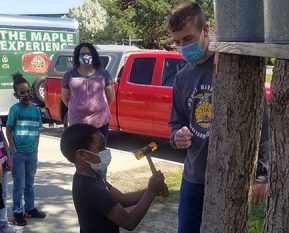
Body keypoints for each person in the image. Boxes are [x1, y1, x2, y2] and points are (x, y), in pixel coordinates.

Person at [167, 2, 269, 233]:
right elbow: (176, 123)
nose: (182, 47)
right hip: (193, 177)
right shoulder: (182, 77)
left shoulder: (233, 67)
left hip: (231, 177)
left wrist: (263, 175)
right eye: (177, 42)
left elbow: (263, 123)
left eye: (188, 38)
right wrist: (177, 136)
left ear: (206, 30)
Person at [60, 123, 169, 233]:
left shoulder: (94, 175)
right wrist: (150, 192)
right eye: (100, 148)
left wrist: (153, 190)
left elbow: (124, 199)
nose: (106, 151)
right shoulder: (90, 189)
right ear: (82, 154)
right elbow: (129, 222)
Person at [61, 42, 115, 179]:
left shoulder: (104, 74)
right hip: (78, 124)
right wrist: (77, 108)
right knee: (81, 156)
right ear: (77, 56)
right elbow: (65, 98)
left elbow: (110, 97)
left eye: (89, 53)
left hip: (100, 122)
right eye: (82, 53)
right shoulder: (69, 75)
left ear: (94, 55)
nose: (86, 56)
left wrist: (97, 108)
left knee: (100, 154)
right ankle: (86, 181)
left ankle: (101, 182)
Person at [6, 72, 46, 226]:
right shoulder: (15, 110)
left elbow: (37, 131)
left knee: (30, 182)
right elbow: (9, 130)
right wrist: (14, 151)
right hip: (18, 154)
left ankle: (30, 208)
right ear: (16, 95)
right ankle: (17, 212)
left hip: (31, 154)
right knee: (19, 184)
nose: (26, 94)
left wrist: (35, 149)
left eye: (28, 91)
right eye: (22, 93)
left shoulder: (36, 110)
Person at [0, 118, 17, 233]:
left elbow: (2, 136)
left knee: (3, 194)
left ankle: (2, 223)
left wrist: (8, 158)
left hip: (3, 160)